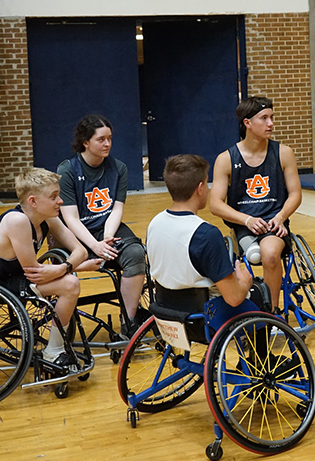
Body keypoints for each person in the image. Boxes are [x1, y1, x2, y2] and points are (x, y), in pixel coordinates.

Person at [0, 167, 88, 367]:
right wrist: (68, 268)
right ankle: (54, 351)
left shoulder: (47, 217)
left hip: (6, 276)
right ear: (33, 201)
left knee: (69, 282)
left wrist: (65, 267)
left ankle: (55, 348)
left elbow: (81, 251)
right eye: (54, 196)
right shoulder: (17, 221)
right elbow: (35, 274)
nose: (60, 201)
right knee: (70, 285)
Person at [57, 114, 146, 339]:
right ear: (86, 142)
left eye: (110, 138)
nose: (107, 144)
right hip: (77, 233)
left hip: (107, 229)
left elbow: (116, 209)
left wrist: (106, 237)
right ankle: (63, 327)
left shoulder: (119, 168)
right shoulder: (67, 170)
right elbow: (71, 218)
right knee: (68, 263)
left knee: (136, 253)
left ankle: (129, 321)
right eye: (101, 139)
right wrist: (95, 246)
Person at [209, 96, 302, 310]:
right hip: (244, 225)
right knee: (253, 254)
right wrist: (247, 219)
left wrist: (281, 217)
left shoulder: (283, 153)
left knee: (269, 254)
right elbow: (215, 204)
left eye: (272, 117)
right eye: (264, 118)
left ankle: (272, 314)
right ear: (247, 123)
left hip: (274, 222)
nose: (271, 123)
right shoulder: (226, 159)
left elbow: (295, 194)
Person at [146, 154, 253, 314]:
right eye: (207, 184)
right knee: (259, 293)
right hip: (202, 318)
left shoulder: (154, 223)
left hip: (165, 311)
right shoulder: (206, 234)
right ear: (200, 188)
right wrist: (245, 282)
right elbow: (234, 298)